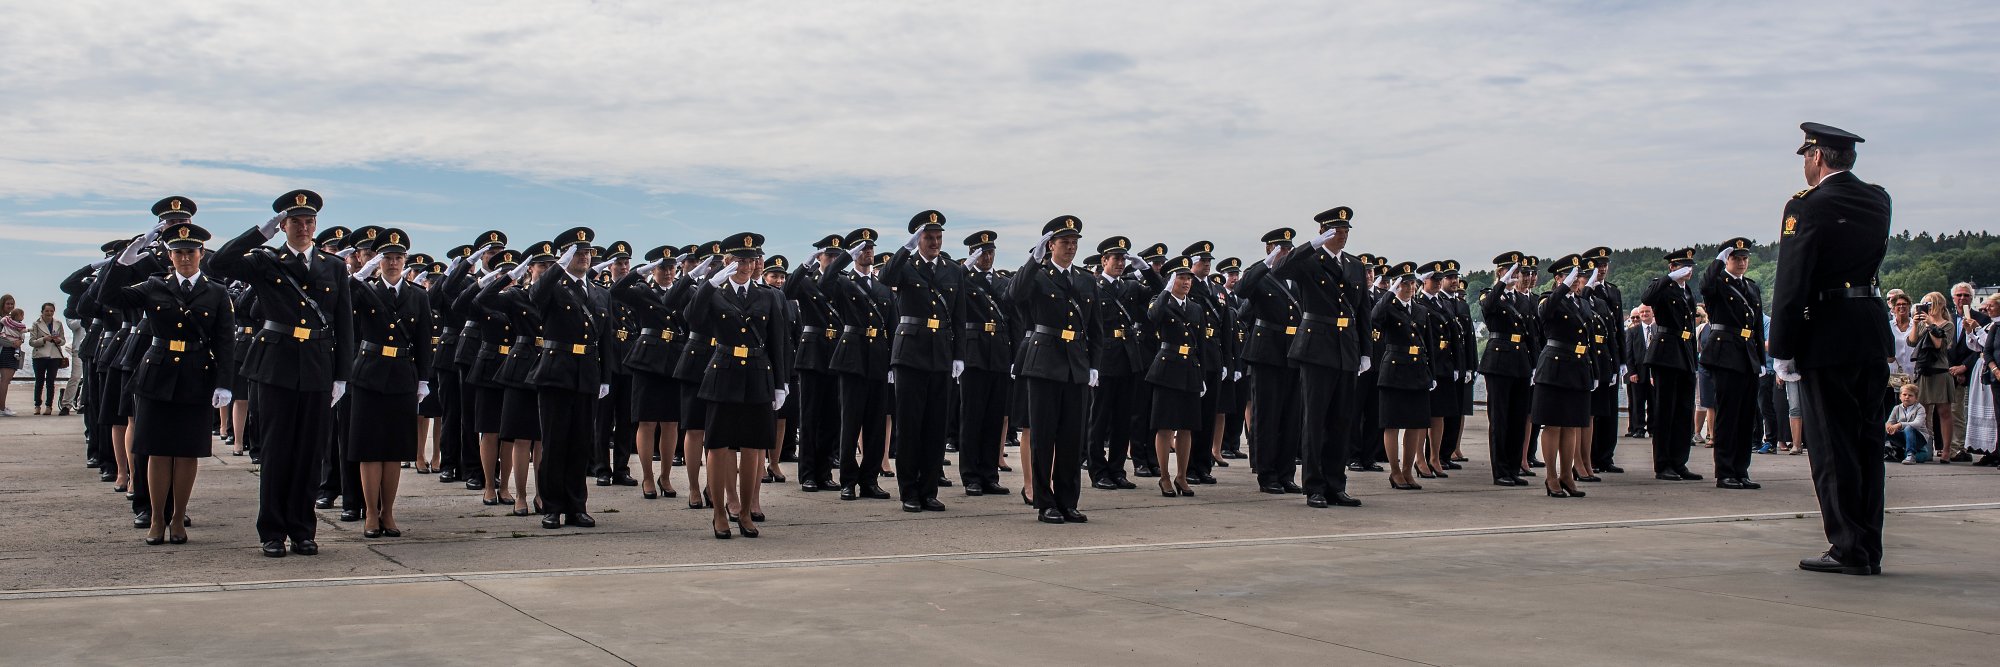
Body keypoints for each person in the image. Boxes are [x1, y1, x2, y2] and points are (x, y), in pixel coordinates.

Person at [1770, 122, 1893, 576]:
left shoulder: (1806, 207)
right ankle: (1869, 544)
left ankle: (1847, 548)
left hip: (1826, 336)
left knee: (1832, 449)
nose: (1804, 164)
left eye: (1806, 155)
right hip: (1869, 332)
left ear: (1818, 157)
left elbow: (1792, 280)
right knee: (1867, 446)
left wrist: (1782, 347)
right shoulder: (1878, 200)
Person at [206, 189, 356, 557]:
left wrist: (341, 374)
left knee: (309, 452)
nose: (304, 227)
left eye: (309, 221)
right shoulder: (265, 260)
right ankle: (272, 531)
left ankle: (303, 530)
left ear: (315, 225)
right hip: (276, 365)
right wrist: (261, 232)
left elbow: (344, 322)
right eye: (296, 221)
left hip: (319, 364)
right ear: (284, 225)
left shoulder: (333, 265)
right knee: (276, 451)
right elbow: (218, 264)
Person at [684, 232, 792, 538]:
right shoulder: (715, 292)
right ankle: (719, 511)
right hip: (724, 372)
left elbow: (778, 341)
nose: (747, 265)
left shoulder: (768, 296)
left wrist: (781, 382)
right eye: (740, 259)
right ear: (729, 262)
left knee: (754, 446)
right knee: (717, 445)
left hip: (758, 373)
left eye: (752, 259)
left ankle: (745, 511)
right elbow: (690, 318)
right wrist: (711, 283)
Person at [1272, 207, 1369, 508]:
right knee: (1314, 420)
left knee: (1341, 420)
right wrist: (1311, 246)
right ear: (1323, 232)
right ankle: (1313, 485)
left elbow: (1363, 310)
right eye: (1336, 230)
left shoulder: (1353, 265)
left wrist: (1366, 351)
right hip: (1316, 347)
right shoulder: (1309, 260)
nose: (1342, 235)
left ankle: (1335, 485)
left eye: (1346, 230)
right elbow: (1280, 270)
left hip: (1346, 347)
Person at [342, 229, 433, 538]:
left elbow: (423, 341)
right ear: (378, 261)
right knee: (369, 447)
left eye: (398, 257)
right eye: (387, 258)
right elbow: (341, 297)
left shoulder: (417, 294)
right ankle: (369, 511)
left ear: (404, 260)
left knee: (394, 448)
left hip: (402, 375)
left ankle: (388, 511)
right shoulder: (364, 289)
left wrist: (423, 379)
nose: (393, 263)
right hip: (368, 373)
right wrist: (359, 275)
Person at [1010, 215, 1099, 524]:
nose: (1071, 248)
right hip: (1045, 362)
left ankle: (1068, 500)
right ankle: (1044, 500)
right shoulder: (1037, 274)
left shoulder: (1086, 279)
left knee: (1073, 438)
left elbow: (1095, 327)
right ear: (1051, 246)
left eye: (1075, 243)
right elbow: (1013, 295)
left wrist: (1094, 365)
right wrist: (1032, 261)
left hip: (1076, 363)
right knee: (1044, 436)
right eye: (1065, 242)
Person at [524, 228, 607, 530]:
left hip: (586, 373)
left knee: (580, 443)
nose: (584, 257)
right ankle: (552, 506)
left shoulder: (600, 293)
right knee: (555, 442)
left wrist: (605, 377)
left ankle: (577, 506)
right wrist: (558, 265)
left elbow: (605, 340)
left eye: (587, 252)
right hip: (556, 372)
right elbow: (535, 294)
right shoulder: (552, 288)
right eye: (578, 252)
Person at [881, 211, 964, 513]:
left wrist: (959, 355)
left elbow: (959, 314)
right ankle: (909, 491)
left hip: (941, 352)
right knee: (910, 424)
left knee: (935, 426)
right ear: (918, 239)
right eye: (929, 237)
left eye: (938, 237)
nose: (935, 242)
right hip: (910, 353)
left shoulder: (953, 270)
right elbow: (884, 278)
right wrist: (906, 248)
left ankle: (929, 489)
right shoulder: (906, 266)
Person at [610, 245, 685, 500]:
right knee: (647, 420)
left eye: (671, 267)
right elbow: (616, 291)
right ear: (653, 268)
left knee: (671, 421)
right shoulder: (643, 290)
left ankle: (665, 476)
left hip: (674, 358)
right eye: (662, 267)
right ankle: (648, 477)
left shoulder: (684, 290)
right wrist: (637, 273)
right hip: (648, 358)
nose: (667, 272)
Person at [1236, 229, 1306, 493]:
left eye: (1289, 249)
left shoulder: (1295, 281)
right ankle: (1267, 474)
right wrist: (1265, 264)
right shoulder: (1260, 277)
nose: (1286, 253)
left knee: (1291, 416)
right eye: (1281, 249)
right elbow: (1242, 290)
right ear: (1270, 250)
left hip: (1293, 353)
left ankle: (1286, 472)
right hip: (1266, 353)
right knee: (1267, 415)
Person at [1699, 238, 1767, 489]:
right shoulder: (1718, 282)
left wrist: (1760, 359)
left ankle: (1741, 469)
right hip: (1725, 353)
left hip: (1747, 354)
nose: (1741, 262)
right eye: (1736, 258)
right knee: (1728, 415)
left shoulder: (1751, 286)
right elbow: (1705, 284)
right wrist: (1717, 259)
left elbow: (1757, 326)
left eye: (1744, 258)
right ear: (1726, 260)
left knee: (1746, 415)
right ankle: (1724, 471)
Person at [1532, 254, 1600, 498]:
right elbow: (1545, 312)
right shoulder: (1549, 299)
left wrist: (1594, 371)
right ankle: (1551, 476)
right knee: (1553, 424)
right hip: (1555, 367)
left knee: (1572, 423)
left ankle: (1567, 475)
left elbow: (1588, 339)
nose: (1575, 281)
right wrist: (1562, 288)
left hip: (1578, 366)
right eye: (1570, 276)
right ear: (1558, 278)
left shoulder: (1581, 303)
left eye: (1578, 277)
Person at [955, 231, 1014, 497]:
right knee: (973, 416)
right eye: (982, 252)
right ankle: (971, 475)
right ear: (972, 254)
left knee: (994, 417)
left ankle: (989, 473)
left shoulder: (1002, 282)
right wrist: (964, 269)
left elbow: (1014, 318)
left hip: (999, 352)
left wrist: (1013, 356)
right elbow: (951, 291)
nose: (988, 257)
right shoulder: (964, 279)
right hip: (975, 352)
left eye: (990, 252)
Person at [786, 235, 846, 493]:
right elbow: (787, 291)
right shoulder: (807, 282)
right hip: (812, 353)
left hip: (836, 352)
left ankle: (824, 472)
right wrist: (803, 266)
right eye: (828, 256)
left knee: (832, 417)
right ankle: (808, 473)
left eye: (836, 256)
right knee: (810, 417)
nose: (832, 260)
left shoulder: (843, 282)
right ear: (819, 257)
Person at [1641, 248, 1702, 481]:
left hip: (1685, 352)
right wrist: (1669, 278)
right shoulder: (1664, 286)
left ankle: (1679, 461)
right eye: (1681, 266)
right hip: (1666, 351)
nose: (1687, 270)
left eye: (1689, 267)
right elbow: (1647, 298)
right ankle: (1663, 463)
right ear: (1672, 267)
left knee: (1684, 410)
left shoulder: (1687, 292)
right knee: (1665, 410)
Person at [1372, 261, 1431, 491]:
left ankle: (1408, 470)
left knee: (1416, 423)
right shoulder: (1387, 307)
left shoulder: (1420, 310)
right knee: (1393, 423)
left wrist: (1431, 373)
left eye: (1412, 283)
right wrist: (1389, 292)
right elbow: (1374, 316)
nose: (1409, 288)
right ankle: (1395, 472)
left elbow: (1429, 345)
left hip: (1417, 370)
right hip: (1394, 369)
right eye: (1404, 284)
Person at [1480, 252, 1534, 486]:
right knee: (1499, 419)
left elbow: (1531, 333)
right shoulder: (1490, 294)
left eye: (1517, 272)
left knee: (1517, 418)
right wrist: (1502, 284)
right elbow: (1488, 306)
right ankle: (1500, 470)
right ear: (1500, 273)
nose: (1514, 276)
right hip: (1499, 361)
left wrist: (1534, 365)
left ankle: (1513, 468)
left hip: (1521, 361)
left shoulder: (1522, 300)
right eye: (1508, 271)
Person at [1909, 292, 1957, 462]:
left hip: (1940, 371)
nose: (1927, 308)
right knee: (1923, 412)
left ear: (1939, 305)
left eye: (1930, 304)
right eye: (1925, 304)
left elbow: (1939, 345)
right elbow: (1912, 341)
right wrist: (1915, 324)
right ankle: (1924, 449)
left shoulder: (1948, 325)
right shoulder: (1922, 323)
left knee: (1944, 412)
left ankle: (1946, 450)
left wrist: (1931, 325)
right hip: (1923, 370)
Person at [1946, 283, 1989, 461]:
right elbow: (1946, 347)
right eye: (1959, 295)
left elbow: (1981, 347)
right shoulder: (1947, 317)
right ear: (1953, 298)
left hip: (1975, 370)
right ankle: (1958, 448)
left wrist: (1965, 367)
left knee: (1978, 411)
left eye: (1966, 295)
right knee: (1955, 412)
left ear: (1971, 298)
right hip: (1951, 371)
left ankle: (1985, 448)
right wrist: (1952, 368)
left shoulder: (1982, 319)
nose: (1962, 298)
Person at [29, 303, 67, 415]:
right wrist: (44, 339)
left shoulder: (58, 323)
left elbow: (63, 340)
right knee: (39, 381)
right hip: (40, 356)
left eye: (51, 311)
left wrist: (58, 340)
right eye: (47, 311)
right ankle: (37, 405)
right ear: (42, 312)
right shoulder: (36, 324)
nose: (49, 313)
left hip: (54, 356)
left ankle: (49, 406)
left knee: (51, 382)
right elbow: (31, 342)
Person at [1625, 306, 1654, 439]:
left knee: (1654, 401)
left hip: (1654, 374)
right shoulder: (1632, 331)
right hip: (1638, 372)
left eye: (1647, 312)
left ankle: (1653, 428)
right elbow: (1629, 353)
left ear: (1652, 313)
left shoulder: (1657, 329)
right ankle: (1639, 428)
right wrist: (1632, 372)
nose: (1644, 314)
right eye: (1642, 312)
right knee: (1638, 402)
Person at [1884, 384, 1931, 464]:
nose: (1907, 397)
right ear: (1900, 396)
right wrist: (1888, 426)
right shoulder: (1896, 408)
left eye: (1910, 395)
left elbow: (1917, 424)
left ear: (1916, 398)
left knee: (1909, 428)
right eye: (1904, 394)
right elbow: (1890, 421)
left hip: (1919, 438)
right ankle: (1883, 451)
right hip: (1904, 437)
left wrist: (1899, 424)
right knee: (1883, 429)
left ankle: (1910, 455)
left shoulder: (1920, 408)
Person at [0, 294, 22, 416]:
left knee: (5, 381)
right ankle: (2, 408)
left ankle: (2, 406)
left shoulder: (11, 319)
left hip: (10, 350)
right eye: (8, 303)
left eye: (12, 304)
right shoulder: (2, 320)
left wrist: (20, 341)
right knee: (5, 380)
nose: (10, 306)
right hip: (5, 351)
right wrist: (12, 344)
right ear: (2, 304)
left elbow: (19, 334)